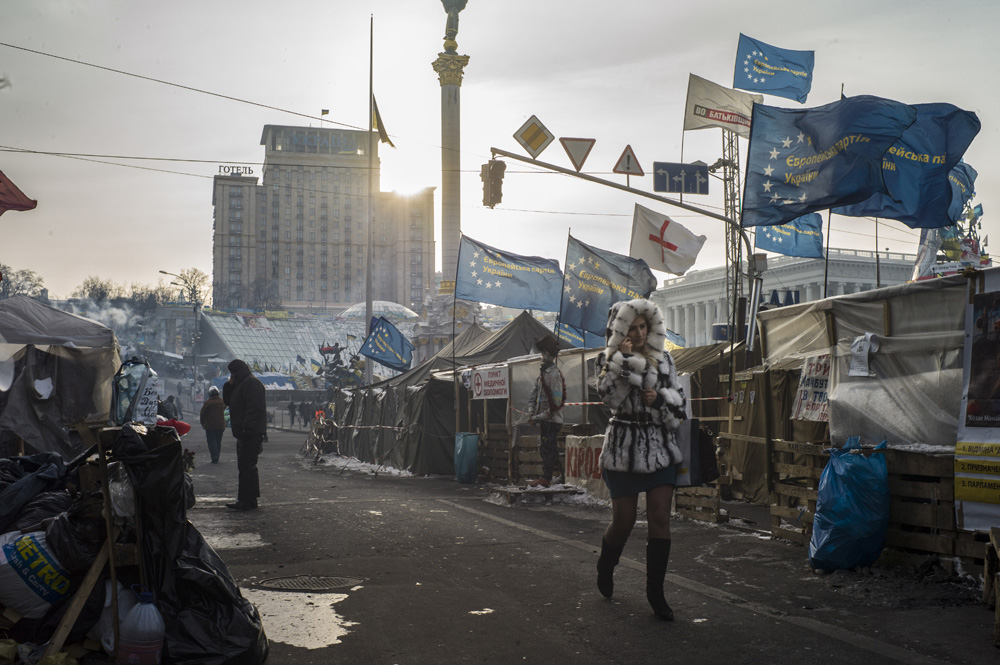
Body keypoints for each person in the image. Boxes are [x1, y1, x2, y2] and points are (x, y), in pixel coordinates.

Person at [594, 298, 687, 621]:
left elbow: (680, 402)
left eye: (642, 326)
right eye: (631, 328)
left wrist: (659, 397)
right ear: (619, 330)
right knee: (624, 521)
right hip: (623, 448)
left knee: (661, 517)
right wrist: (626, 362)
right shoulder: (607, 360)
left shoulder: (666, 361)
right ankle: (606, 565)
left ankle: (656, 594)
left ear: (651, 326)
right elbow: (608, 398)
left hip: (660, 447)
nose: (638, 333)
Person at [223, 359, 267, 511]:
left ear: (236, 372)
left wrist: (248, 428)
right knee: (246, 466)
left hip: (249, 433)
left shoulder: (251, 384)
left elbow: (254, 407)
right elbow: (228, 401)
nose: (231, 376)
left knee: (246, 467)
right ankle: (249, 499)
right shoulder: (243, 384)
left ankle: (246, 500)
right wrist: (229, 386)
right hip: (245, 432)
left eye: (232, 373)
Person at [525, 334, 565, 488]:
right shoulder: (542, 373)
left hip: (552, 420)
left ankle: (546, 478)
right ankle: (556, 476)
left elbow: (555, 405)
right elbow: (534, 393)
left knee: (548, 449)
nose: (541, 356)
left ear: (548, 355)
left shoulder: (554, 375)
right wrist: (531, 411)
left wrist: (536, 418)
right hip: (544, 419)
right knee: (548, 449)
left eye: (543, 353)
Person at [199, 386, 226, 463]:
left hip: (210, 426)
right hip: (220, 425)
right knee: (218, 441)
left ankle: (214, 456)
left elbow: (202, 414)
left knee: (212, 441)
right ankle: (217, 455)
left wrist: (202, 422)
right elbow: (224, 407)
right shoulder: (222, 402)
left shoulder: (208, 403)